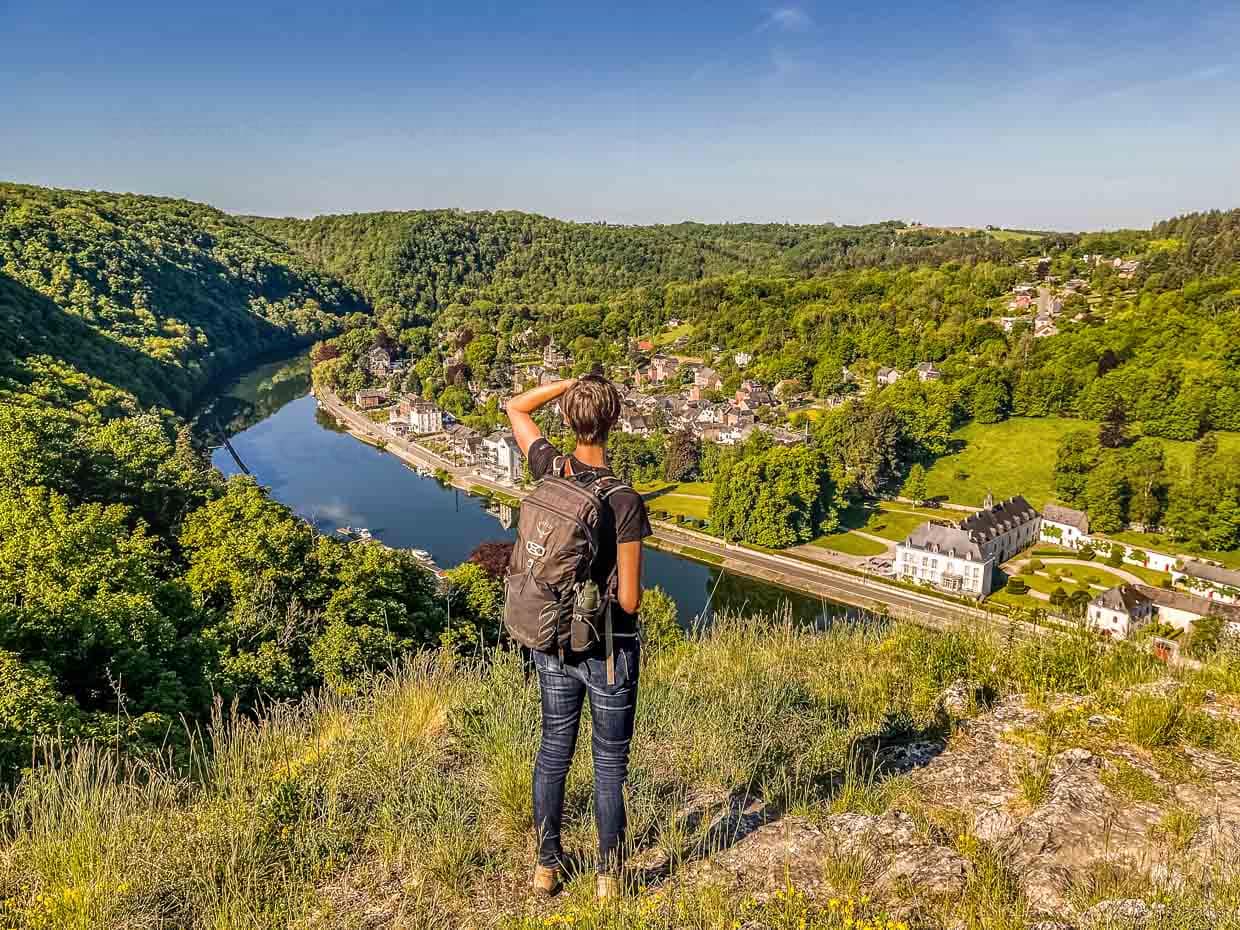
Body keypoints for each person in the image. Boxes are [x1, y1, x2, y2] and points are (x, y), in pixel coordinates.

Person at [505, 375, 651, 900]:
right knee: (609, 764)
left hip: (553, 644)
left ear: (567, 420)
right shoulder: (624, 500)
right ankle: (610, 878)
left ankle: (547, 865)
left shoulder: (551, 469)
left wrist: (567, 384)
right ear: (614, 422)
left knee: (553, 753)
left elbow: (516, 408)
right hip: (609, 650)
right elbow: (630, 600)